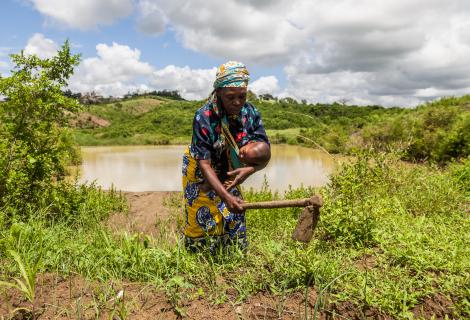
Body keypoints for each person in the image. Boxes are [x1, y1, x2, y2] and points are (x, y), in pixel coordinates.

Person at [182, 61, 270, 253]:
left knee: (235, 213)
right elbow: (204, 164)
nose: (237, 102)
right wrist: (226, 196)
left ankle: (233, 254)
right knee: (202, 213)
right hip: (201, 169)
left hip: (229, 166)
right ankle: (200, 258)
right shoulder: (204, 116)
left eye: (242, 96)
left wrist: (249, 170)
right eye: (230, 97)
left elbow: (266, 153)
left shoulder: (251, 113)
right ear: (219, 92)